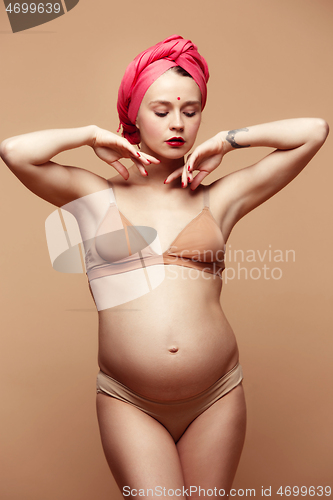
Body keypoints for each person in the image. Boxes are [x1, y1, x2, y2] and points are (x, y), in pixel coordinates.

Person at [0, 35, 329, 499]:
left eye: (190, 112)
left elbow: (314, 130)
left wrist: (228, 142)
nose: (178, 123)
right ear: (134, 112)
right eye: (161, 111)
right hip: (128, 401)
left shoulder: (220, 198)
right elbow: (15, 151)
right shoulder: (95, 198)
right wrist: (93, 135)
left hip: (217, 395)